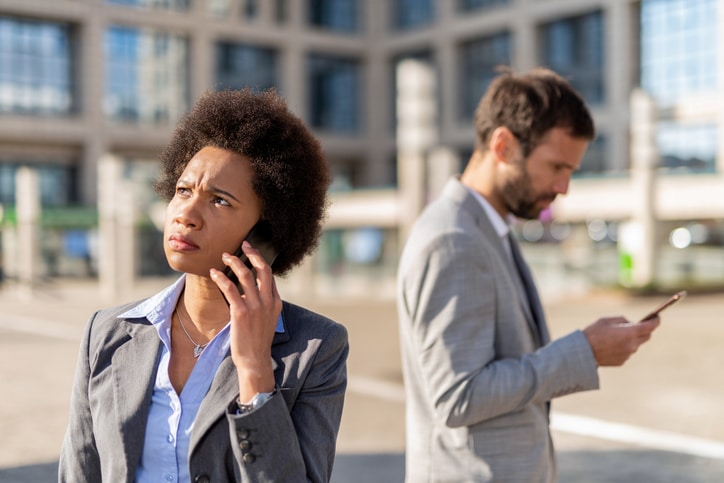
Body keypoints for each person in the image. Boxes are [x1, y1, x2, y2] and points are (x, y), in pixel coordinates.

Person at [59, 89, 348, 482]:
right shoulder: (106, 333)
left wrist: (254, 370)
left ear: (266, 233)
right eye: (183, 191)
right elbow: (78, 473)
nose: (186, 215)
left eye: (220, 201)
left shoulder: (315, 348)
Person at [396, 68, 660, 482]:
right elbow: (456, 397)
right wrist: (584, 352)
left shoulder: (488, 229)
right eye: (557, 166)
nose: (564, 187)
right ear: (503, 145)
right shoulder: (452, 240)